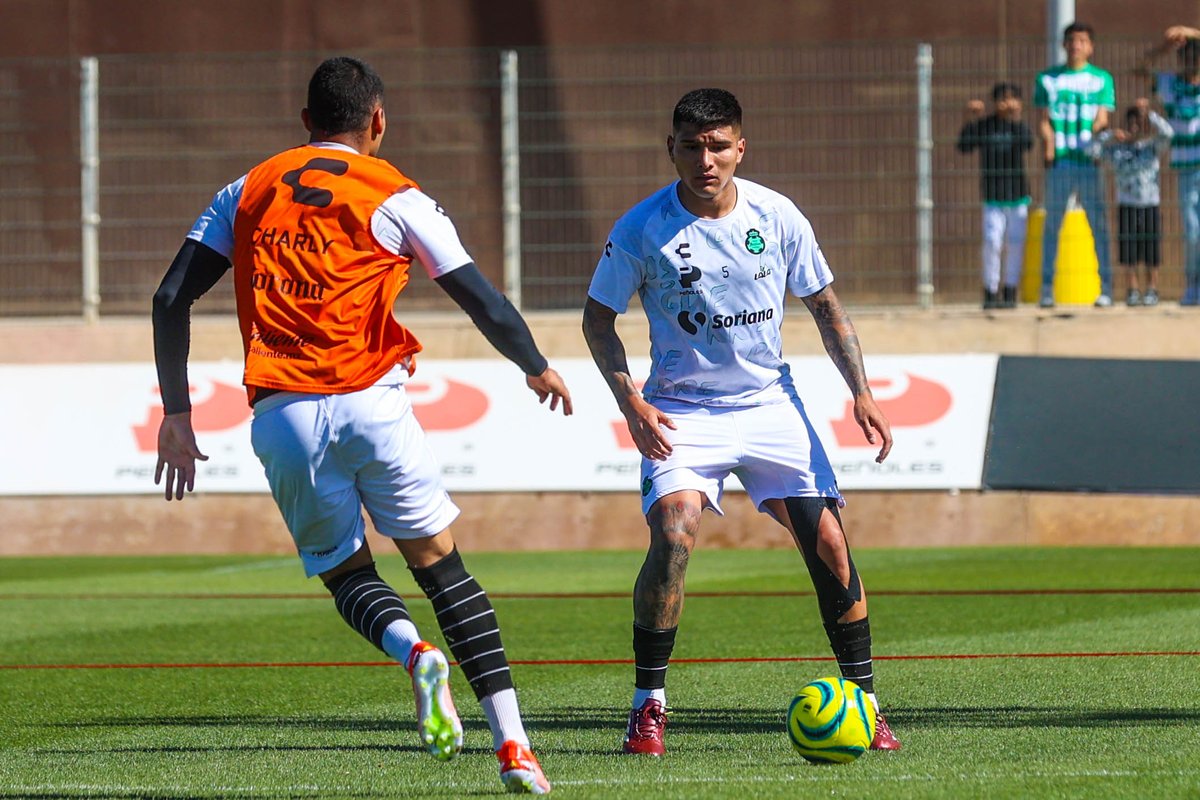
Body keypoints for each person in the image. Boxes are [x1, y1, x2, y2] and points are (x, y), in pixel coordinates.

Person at [151, 56, 568, 795]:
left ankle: (414, 656)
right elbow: (480, 296)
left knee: (347, 574)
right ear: (377, 121)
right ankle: (515, 747)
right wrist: (534, 364)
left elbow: (169, 298)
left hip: (283, 414)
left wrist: (178, 415)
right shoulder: (396, 191)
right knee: (442, 568)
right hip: (373, 403)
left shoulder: (243, 189)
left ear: (306, 121)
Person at [581, 88, 900, 758]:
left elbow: (826, 307)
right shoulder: (641, 228)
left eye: (719, 145)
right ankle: (648, 707)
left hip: (769, 406)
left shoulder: (777, 215)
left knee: (833, 546)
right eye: (692, 146)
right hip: (682, 408)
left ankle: (866, 707)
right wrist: (631, 403)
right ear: (671, 148)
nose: (706, 159)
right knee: (674, 534)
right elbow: (597, 322)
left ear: (740, 147)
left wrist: (862, 392)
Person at [1033, 21, 1116, 308]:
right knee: (1052, 225)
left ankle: (1106, 287)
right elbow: (1044, 121)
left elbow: (1103, 118)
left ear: (1090, 46)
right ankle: (1046, 288)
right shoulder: (1047, 78)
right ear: (1063, 44)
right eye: (1071, 40)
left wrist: (1095, 139)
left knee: (1099, 226)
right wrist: (1049, 146)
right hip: (1061, 163)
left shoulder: (1101, 79)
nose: (1076, 45)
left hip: (1089, 163)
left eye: (1081, 40)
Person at [956, 82, 1034, 309]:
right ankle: (991, 290)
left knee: (1015, 243)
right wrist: (969, 118)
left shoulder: (1018, 127)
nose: (1007, 103)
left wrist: (1016, 117)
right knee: (992, 242)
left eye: (1012, 99)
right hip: (992, 196)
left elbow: (1028, 143)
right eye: (1003, 99)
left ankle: (1010, 290)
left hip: (1018, 195)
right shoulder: (986, 125)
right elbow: (964, 146)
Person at [1089, 99, 1173, 306]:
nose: (1135, 127)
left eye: (1139, 123)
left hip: (1150, 204)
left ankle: (1152, 289)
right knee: (1129, 250)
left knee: (1151, 249)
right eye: (1132, 122)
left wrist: (1150, 115)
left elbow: (1168, 134)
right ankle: (1132, 289)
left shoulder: (1151, 146)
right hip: (1126, 204)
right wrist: (1109, 135)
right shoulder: (1117, 150)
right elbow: (1092, 151)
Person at [1140, 26, 1200, 305]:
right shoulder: (1169, 84)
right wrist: (1163, 47)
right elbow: (1140, 68)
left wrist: (1191, 31)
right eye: (1188, 57)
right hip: (1186, 168)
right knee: (1192, 231)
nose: (1193, 62)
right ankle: (1193, 285)